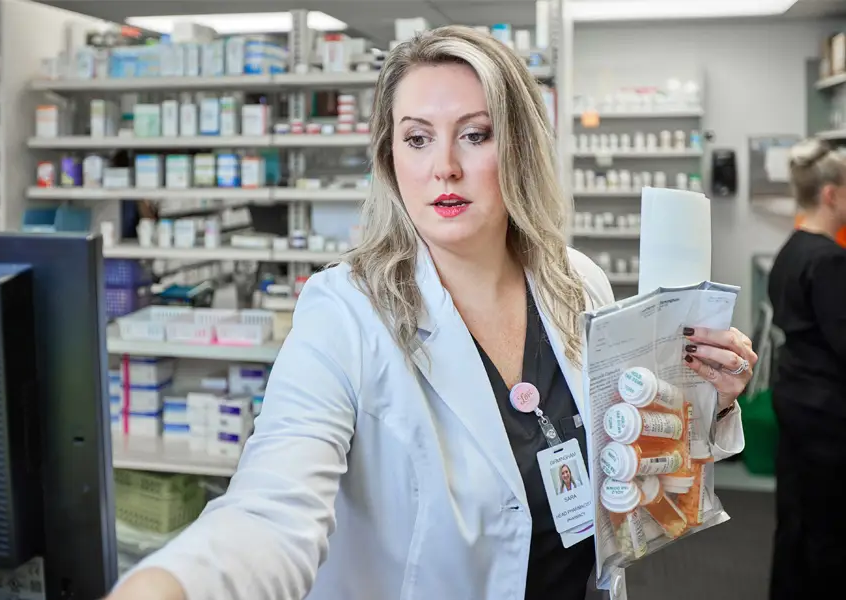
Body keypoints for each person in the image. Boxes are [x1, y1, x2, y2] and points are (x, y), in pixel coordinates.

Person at [109, 26, 754, 600]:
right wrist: (171, 585)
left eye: (475, 135)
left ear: (520, 147)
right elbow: (271, 513)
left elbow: (637, 459)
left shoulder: (575, 281)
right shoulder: (345, 310)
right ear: (392, 158)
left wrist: (709, 400)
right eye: (417, 138)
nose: (444, 167)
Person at [768, 139, 846, 600]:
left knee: (795, 517)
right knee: (830, 528)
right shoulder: (830, 259)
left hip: (796, 400)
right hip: (829, 414)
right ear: (831, 195)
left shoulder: (792, 248)